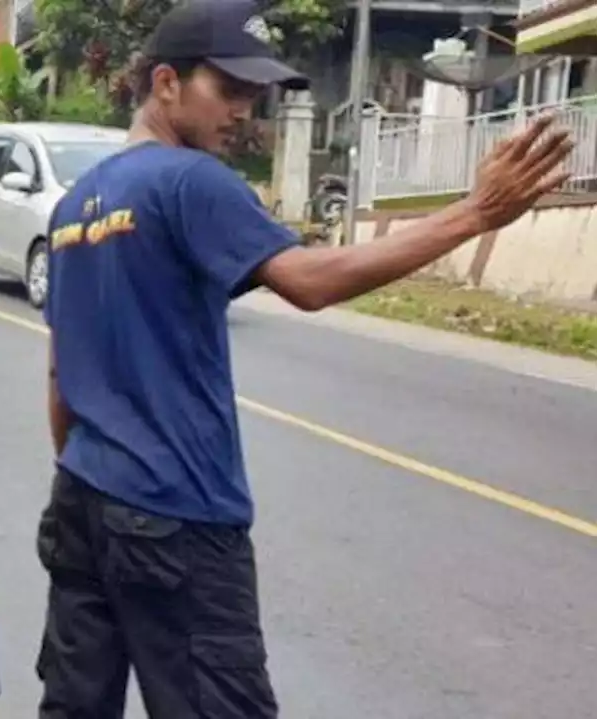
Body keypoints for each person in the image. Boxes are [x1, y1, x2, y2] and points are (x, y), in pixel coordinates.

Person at [36, 1, 574, 717]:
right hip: (176, 514)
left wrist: (94, 479)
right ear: (166, 83)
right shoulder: (189, 181)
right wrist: (473, 214)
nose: (242, 112)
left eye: (252, 96)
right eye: (226, 90)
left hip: (81, 500)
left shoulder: (74, 205)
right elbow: (309, 281)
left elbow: (59, 376)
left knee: (75, 707)